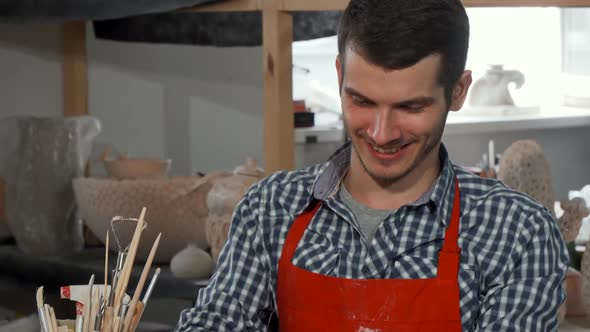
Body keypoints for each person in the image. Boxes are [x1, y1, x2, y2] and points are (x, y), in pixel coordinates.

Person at [176, 0, 569, 331]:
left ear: (458, 91)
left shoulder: (517, 232)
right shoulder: (271, 208)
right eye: (362, 101)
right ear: (339, 75)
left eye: (410, 107)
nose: (382, 134)